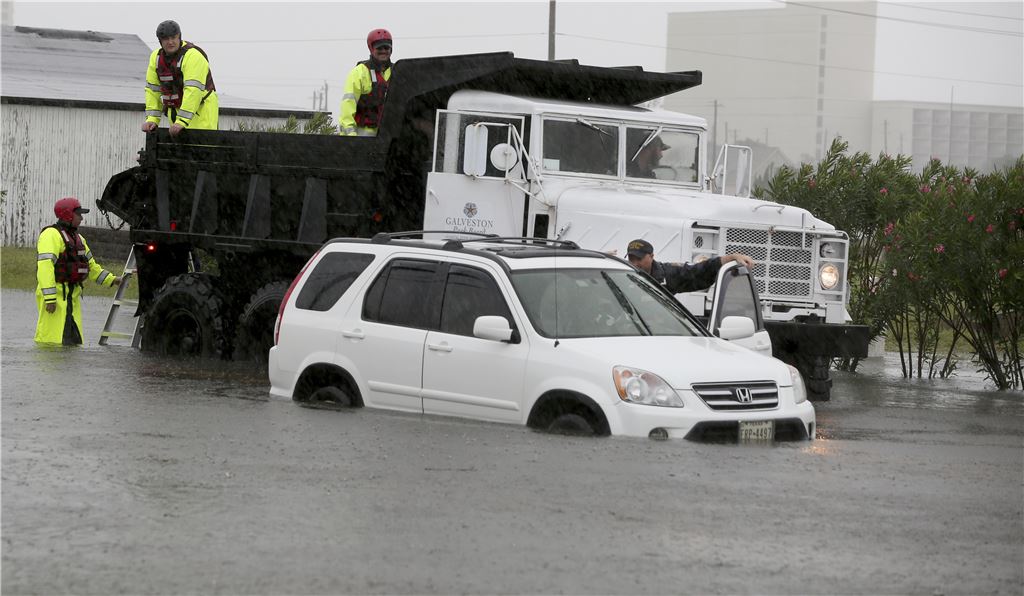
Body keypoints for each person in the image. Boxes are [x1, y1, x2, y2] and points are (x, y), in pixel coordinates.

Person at [35, 198, 121, 346]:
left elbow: (91, 266)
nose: (82, 218)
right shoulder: (51, 235)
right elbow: (45, 267)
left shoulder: (78, 239)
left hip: (71, 298)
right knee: (50, 341)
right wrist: (50, 299)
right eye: (79, 215)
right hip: (56, 297)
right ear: (68, 215)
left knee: (71, 341)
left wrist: (112, 280)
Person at [142, 20, 218, 138]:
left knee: (202, 150)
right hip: (177, 114)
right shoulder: (155, 58)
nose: (170, 42)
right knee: (180, 152)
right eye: (166, 39)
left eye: (173, 37)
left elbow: (193, 91)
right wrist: (152, 119)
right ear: (160, 41)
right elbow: (152, 90)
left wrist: (182, 120)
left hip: (201, 113)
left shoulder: (193, 56)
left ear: (179, 37)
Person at [625, 238, 755, 293]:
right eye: (631, 258)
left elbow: (698, 272)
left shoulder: (667, 275)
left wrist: (729, 258)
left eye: (639, 258)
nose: (634, 263)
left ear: (652, 257)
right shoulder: (620, 273)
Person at [339, 28, 393, 137]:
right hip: (361, 137)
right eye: (379, 48)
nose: (383, 51)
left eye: (386, 47)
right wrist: (350, 139)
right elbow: (347, 110)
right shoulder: (358, 73)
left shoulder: (397, 71)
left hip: (388, 139)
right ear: (371, 48)